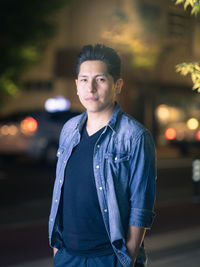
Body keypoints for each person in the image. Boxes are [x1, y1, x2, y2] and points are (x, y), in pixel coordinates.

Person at [49, 44, 156, 267]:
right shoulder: (69, 130)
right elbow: (60, 188)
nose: (91, 88)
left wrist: (129, 255)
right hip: (67, 255)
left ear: (117, 84)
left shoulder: (135, 136)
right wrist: (57, 249)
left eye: (100, 79)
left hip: (110, 257)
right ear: (76, 85)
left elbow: (141, 204)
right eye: (84, 80)